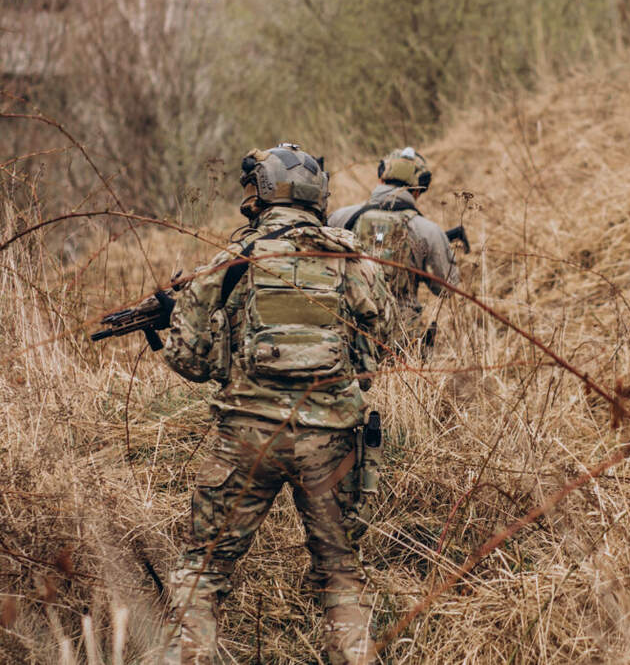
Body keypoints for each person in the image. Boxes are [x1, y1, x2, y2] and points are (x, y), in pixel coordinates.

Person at [159, 143, 393, 665]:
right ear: (317, 196)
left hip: (246, 440)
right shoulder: (352, 259)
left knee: (201, 574)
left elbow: (189, 362)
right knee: (340, 576)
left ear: (259, 194)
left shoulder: (233, 260)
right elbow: (383, 349)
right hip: (331, 446)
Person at [328, 147, 460, 348]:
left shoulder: (341, 217)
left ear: (381, 179)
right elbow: (446, 288)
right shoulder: (428, 231)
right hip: (401, 340)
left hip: (348, 331)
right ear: (418, 190)